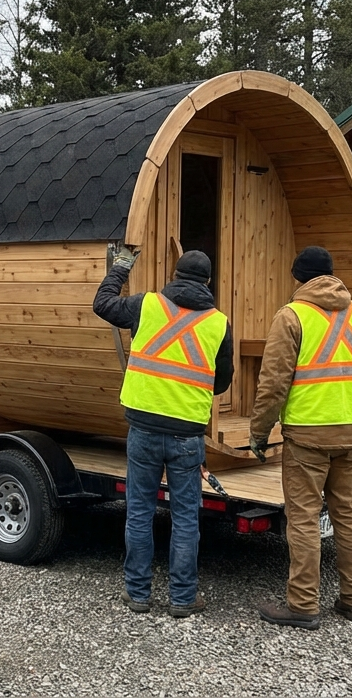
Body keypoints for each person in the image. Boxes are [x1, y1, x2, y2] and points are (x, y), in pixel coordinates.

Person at [250, 246, 352, 630]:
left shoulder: (292, 316)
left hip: (307, 437)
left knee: (305, 520)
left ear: (298, 278)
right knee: (348, 515)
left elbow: (273, 382)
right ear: (331, 274)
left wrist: (260, 432)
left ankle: (303, 605)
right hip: (351, 433)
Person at [93, 248, 234, 618]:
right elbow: (222, 382)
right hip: (188, 434)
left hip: (143, 427)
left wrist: (122, 266)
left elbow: (103, 304)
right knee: (186, 518)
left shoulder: (147, 305)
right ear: (207, 282)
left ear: (175, 274)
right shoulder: (219, 323)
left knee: (139, 512)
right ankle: (182, 599)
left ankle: (138, 595)